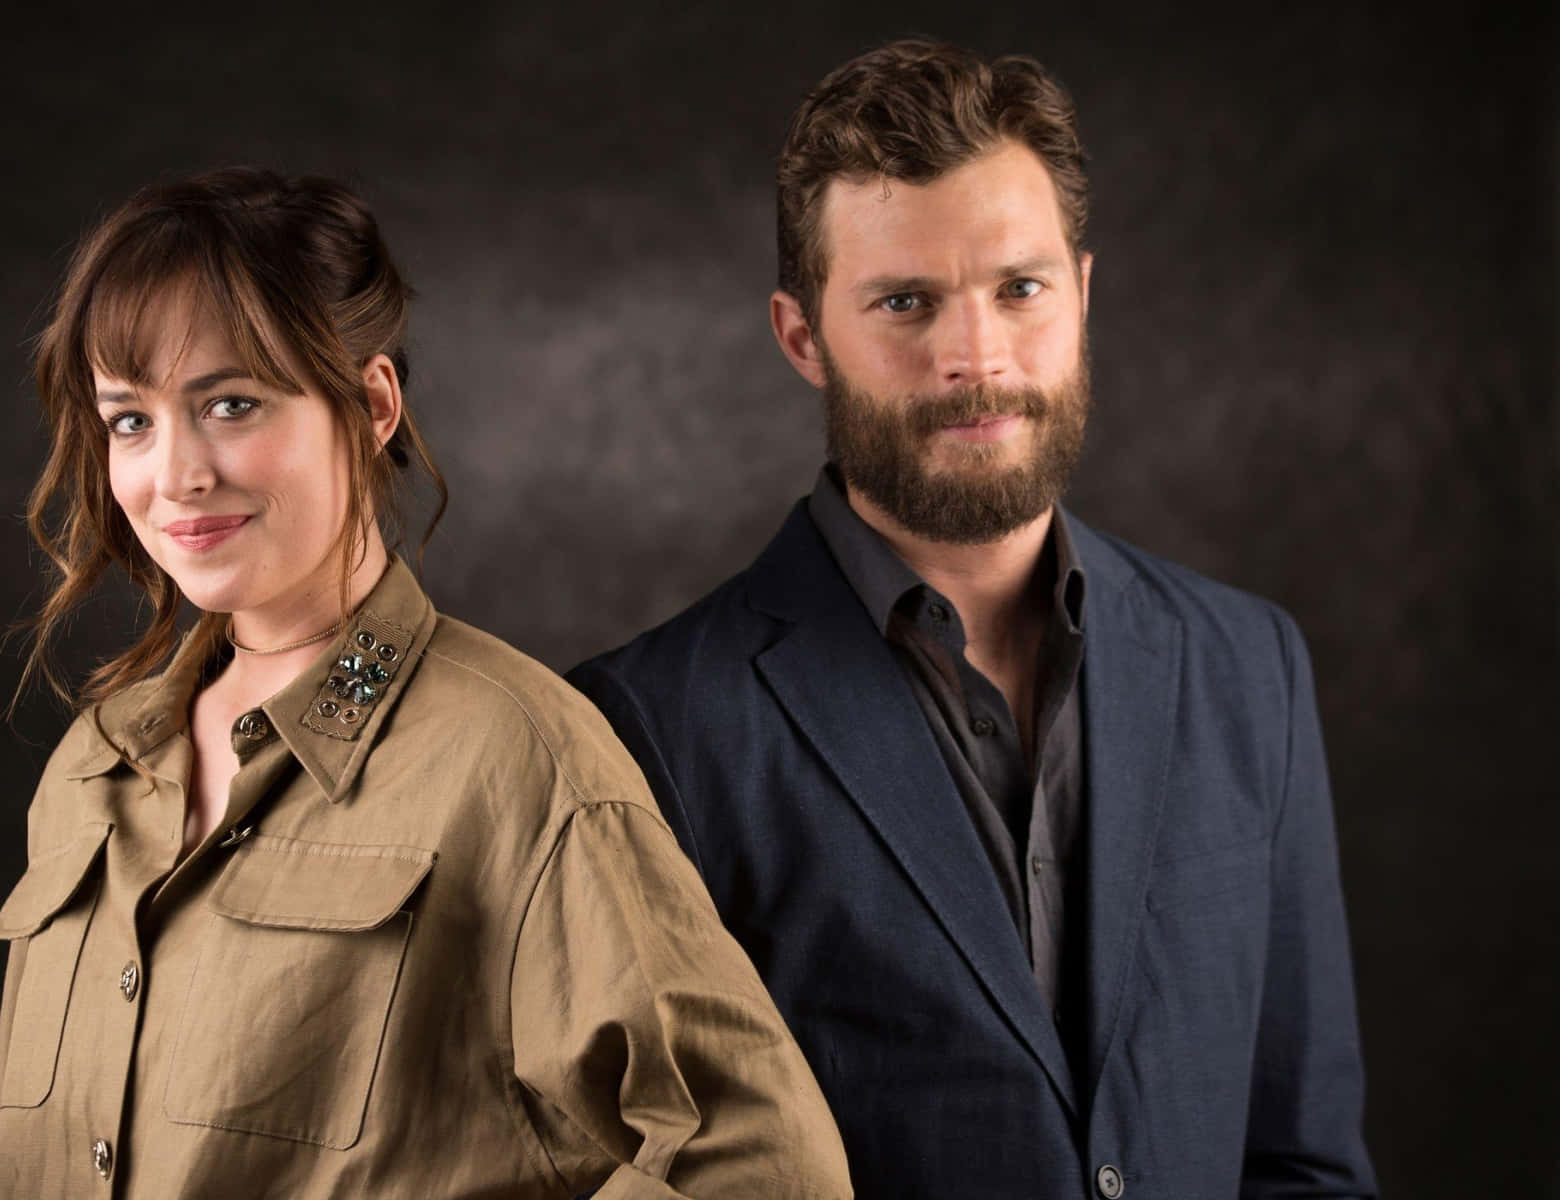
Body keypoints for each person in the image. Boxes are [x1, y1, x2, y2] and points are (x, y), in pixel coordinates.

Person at [569, 39, 1377, 1199]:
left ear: (1083, 294)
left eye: (1020, 289)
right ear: (803, 338)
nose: (976, 357)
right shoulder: (648, 726)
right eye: (906, 302)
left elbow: (1304, 1160)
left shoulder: (1250, 666)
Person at [0, 167, 849, 1199]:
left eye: (230, 403)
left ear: (372, 404)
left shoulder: (512, 755)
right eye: (130, 420)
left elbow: (760, 1165)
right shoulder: (98, 765)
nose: (175, 475)